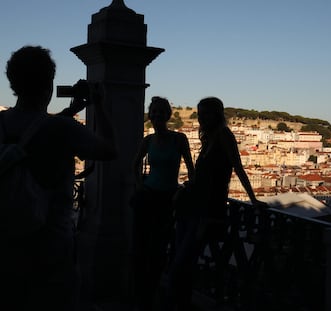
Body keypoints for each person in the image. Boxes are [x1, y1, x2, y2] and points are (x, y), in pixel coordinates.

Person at [0, 45, 117, 311]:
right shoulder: (62, 129)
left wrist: (72, 109)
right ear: (49, 84)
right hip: (50, 254)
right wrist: (99, 105)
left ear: (12, 82)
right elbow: (110, 150)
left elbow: (32, 134)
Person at [165, 96, 267, 310]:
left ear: (217, 114)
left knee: (180, 265)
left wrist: (253, 199)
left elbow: (238, 167)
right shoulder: (209, 137)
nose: (202, 118)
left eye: (207, 113)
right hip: (192, 206)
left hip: (206, 210)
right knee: (181, 263)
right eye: (200, 113)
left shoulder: (223, 135)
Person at [131, 96, 194, 310]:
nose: (157, 115)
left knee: (159, 246)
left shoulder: (180, 139)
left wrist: (184, 189)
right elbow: (135, 165)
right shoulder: (147, 141)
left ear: (168, 115)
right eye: (154, 112)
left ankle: (151, 290)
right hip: (148, 196)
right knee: (142, 244)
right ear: (150, 115)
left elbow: (191, 170)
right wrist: (140, 185)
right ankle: (142, 292)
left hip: (168, 198)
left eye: (161, 112)